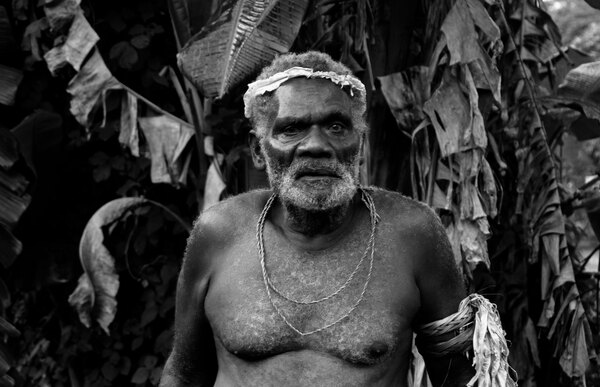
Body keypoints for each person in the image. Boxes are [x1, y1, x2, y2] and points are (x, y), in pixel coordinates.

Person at [160, 51, 513, 387]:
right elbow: (184, 375)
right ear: (257, 149)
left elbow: (461, 377)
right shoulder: (219, 234)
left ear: (360, 142)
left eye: (336, 126)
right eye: (292, 128)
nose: (317, 145)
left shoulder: (412, 234)